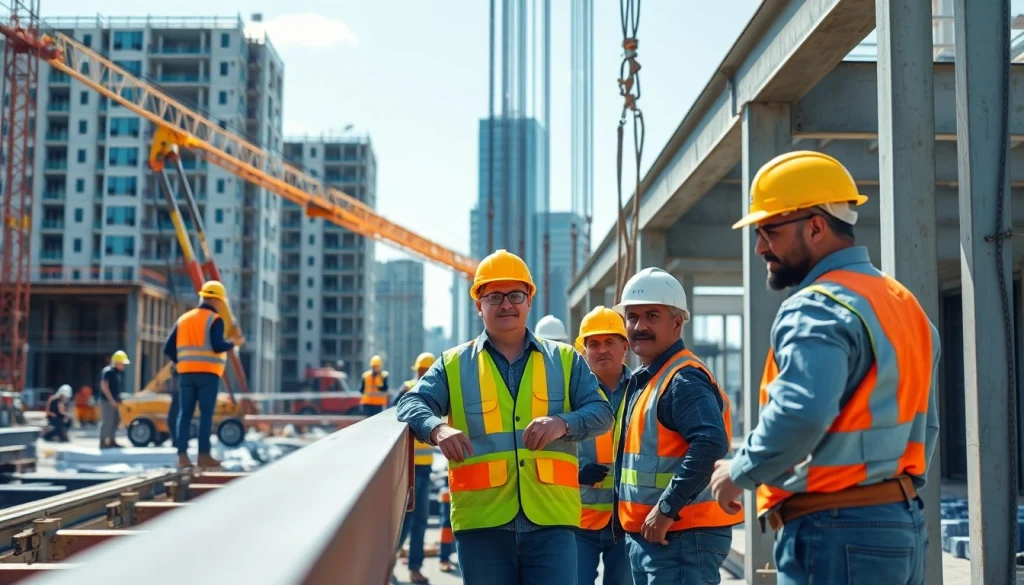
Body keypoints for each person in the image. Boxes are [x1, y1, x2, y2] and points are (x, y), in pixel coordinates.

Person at [709, 151, 939, 585]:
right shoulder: (904, 304)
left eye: (769, 230)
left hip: (835, 529)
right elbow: (925, 428)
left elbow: (803, 410)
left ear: (815, 226)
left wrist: (739, 471)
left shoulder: (816, 305)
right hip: (900, 524)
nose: (760, 246)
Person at [396, 248, 614, 585]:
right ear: (478, 305)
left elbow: (603, 413)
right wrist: (437, 428)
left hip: (552, 522)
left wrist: (562, 424)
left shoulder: (566, 359)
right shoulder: (454, 363)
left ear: (529, 301)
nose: (506, 305)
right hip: (482, 524)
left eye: (515, 295)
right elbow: (411, 404)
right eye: (494, 296)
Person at [614, 267, 742, 584]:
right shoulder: (650, 379)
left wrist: (667, 508)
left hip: (681, 537)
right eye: (632, 317)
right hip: (657, 537)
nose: (639, 326)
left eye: (652, 316)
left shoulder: (682, 379)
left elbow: (711, 443)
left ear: (676, 322)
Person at [573, 306, 632, 585]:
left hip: (628, 521)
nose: (602, 350)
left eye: (610, 342)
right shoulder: (568, 395)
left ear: (625, 347)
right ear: (584, 351)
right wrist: (575, 472)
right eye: (593, 343)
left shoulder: (644, 390)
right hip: (578, 521)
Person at [164, 280, 244, 470]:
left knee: (185, 413)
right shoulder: (214, 320)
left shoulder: (184, 319)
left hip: (186, 374)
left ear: (202, 297)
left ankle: (182, 456)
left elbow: (168, 348)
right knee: (205, 414)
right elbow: (217, 345)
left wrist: (182, 362)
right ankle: (203, 456)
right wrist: (233, 342)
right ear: (217, 301)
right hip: (208, 374)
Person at [395, 351, 438, 585]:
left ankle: (414, 568)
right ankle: (392, 562)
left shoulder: (437, 392)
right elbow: (392, 417)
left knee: (419, 519)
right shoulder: (408, 390)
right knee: (407, 520)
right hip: (408, 466)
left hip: (424, 467)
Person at [99, 351, 130, 449]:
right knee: (107, 421)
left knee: (115, 421)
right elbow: (104, 385)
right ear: (117, 362)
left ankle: (111, 441)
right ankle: (103, 442)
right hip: (107, 401)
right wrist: (111, 399)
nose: (124, 365)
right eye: (123, 363)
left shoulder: (117, 373)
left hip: (115, 402)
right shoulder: (108, 371)